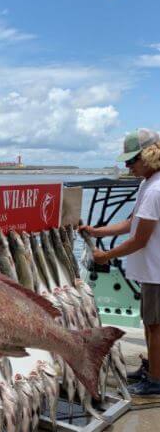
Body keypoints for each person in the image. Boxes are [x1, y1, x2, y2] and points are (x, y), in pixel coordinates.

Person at [80, 129, 160, 398]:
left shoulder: (155, 189)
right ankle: (153, 369)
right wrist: (99, 232)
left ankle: (156, 381)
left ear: (150, 155)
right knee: (150, 322)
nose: (128, 166)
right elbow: (131, 222)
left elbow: (139, 239)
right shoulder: (147, 184)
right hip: (150, 271)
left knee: (155, 326)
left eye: (132, 160)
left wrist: (106, 255)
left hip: (156, 272)